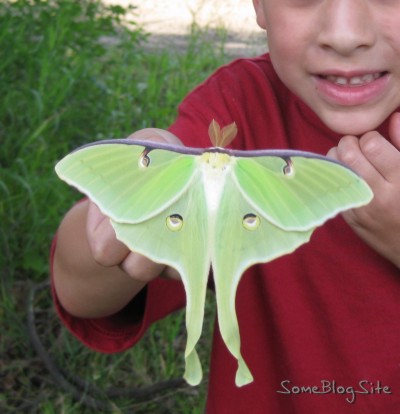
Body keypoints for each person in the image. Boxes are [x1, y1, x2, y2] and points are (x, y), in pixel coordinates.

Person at [51, 0, 400, 412]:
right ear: (259, 6)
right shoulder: (238, 112)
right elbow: (79, 293)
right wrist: (115, 218)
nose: (344, 35)